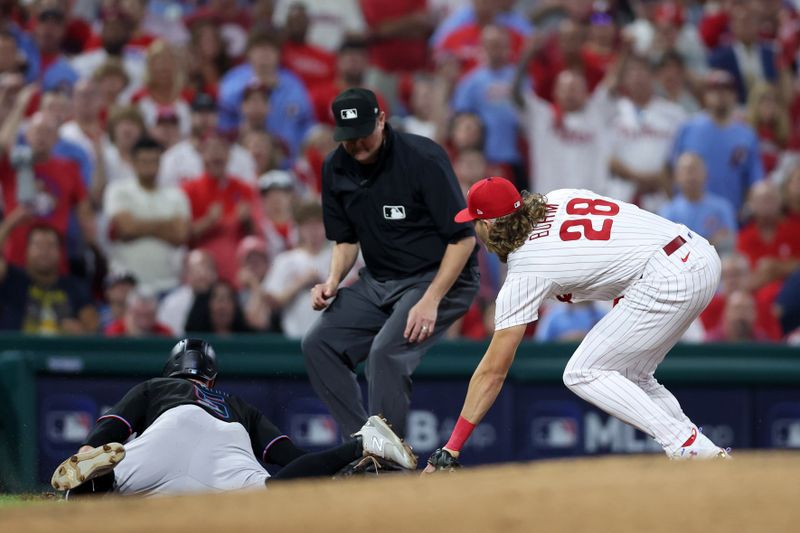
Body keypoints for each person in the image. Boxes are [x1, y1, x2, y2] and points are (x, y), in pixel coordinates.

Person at [423, 176, 729, 473]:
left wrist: (451, 447)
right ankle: (704, 453)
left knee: (582, 372)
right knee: (632, 374)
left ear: (488, 225)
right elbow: (622, 236)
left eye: (475, 223)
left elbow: (493, 371)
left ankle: (684, 444)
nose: (476, 231)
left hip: (668, 276)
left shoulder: (526, 270)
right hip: (696, 253)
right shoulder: (559, 196)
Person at [302, 88, 480, 438]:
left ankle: (387, 460)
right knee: (318, 343)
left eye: (364, 134)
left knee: (385, 353)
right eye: (348, 138)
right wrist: (333, 279)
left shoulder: (422, 158)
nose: (357, 145)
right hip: (381, 280)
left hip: (441, 276)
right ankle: (368, 445)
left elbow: (463, 239)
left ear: (382, 120)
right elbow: (346, 240)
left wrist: (431, 300)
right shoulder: (335, 166)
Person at [50, 338, 417, 498]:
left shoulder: (159, 386)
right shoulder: (237, 403)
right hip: (227, 443)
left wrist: (89, 447)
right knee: (272, 493)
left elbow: (116, 424)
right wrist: (334, 465)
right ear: (211, 377)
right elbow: (293, 460)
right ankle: (362, 442)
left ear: (171, 369)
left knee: (102, 497)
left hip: (167, 433)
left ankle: (97, 479)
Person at [103, 137, 190, 295]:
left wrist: (139, 225)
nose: (149, 168)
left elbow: (180, 235)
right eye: (144, 162)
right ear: (133, 162)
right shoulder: (118, 191)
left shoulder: (176, 195)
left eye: (154, 161)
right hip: (128, 283)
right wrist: (166, 225)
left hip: (168, 283)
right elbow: (126, 229)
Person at [671, 70, 763, 217]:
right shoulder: (688, 128)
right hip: (688, 217)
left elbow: (754, 179)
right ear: (705, 96)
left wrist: (747, 208)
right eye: (714, 90)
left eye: (726, 90)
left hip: (732, 216)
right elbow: (670, 170)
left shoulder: (746, 134)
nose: (720, 95)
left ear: (735, 95)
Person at [0, 220, 98, 334]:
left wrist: (81, 331)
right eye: (38, 245)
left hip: (62, 350)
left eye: (51, 245)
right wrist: (11, 223)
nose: (44, 251)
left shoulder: (75, 286)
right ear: (26, 250)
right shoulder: (10, 279)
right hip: (16, 350)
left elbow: (92, 326)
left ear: (60, 252)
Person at [263, 201, 336, 339]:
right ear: (299, 228)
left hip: (330, 337)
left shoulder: (337, 258)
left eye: (318, 224)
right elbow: (272, 302)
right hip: (294, 337)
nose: (313, 230)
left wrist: (325, 285)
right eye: (308, 225)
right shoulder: (286, 260)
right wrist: (300, 283)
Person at [659, 153, 737, 253]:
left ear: (706, 174)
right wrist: (709, 240)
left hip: (717, 261)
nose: (690, 175)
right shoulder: (667, 211)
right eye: (685, 170)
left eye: (695, 169)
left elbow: (728, 242)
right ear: (676, 177)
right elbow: (668, 249)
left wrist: (684, 239)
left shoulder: (722, 207)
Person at [157, 250, 218, 336]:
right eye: (196, 269)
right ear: (187, 274)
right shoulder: (172, 303)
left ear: (215, 273)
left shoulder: (224, 300)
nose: (202, 274)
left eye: (207, 268)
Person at [104, 289, 173, 337]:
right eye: (139, 314)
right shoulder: (114, 332)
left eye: (148, 315)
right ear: (129, 311)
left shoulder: (164, 333)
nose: (144, 321)